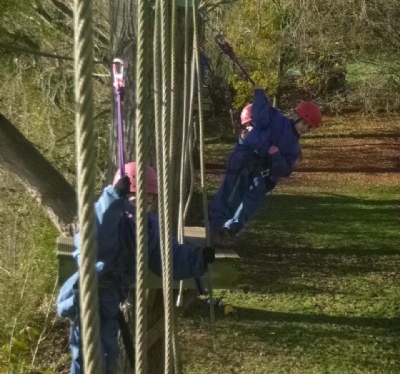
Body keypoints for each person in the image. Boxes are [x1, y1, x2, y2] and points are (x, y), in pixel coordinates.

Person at [57, 162, 215, 374]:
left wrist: (197, 259)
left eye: (148, 201)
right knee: (88, 357)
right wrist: (112, 199)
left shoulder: (147, 227)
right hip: (88, 296)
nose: (141, 208)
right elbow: (95, 236)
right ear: (123, 198)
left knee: (108, 355)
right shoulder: (105, 218)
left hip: (111, 299)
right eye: (135, 201)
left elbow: (165, 255)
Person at [209, 85, 322, 247]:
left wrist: (276, 157)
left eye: (308, 127)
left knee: (249, 202)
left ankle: (229, 230)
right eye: (304, 123)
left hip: (262, 172)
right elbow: (260, 115)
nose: (305, 129)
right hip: (245, 157)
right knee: (230, 192)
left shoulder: (294, 148)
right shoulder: (276, 118)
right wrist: (260, 95)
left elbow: (285, 170)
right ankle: (216, 227)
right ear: (296, 117)